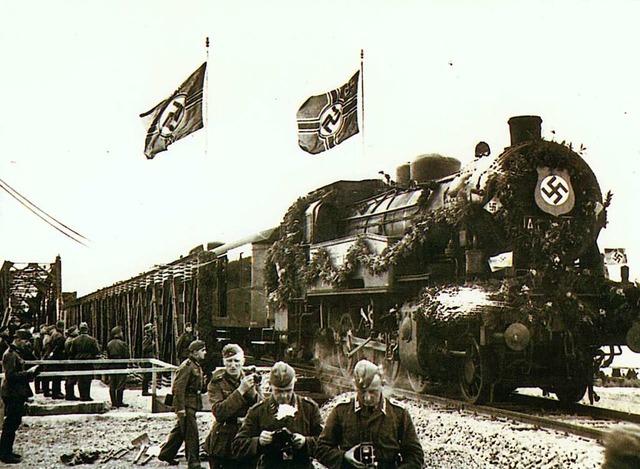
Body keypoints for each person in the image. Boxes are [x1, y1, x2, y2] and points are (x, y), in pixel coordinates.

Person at [315, 359, 424, 469]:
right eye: (362, 392)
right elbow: (321, 449)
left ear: (382, 385)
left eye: (373, 391)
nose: (367, 398)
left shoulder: (398, 413)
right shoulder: (342, 411)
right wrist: (344, 457)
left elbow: (415, 455)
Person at [233, 361, 323, 469]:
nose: (284, 396)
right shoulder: (258, 411)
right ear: (270, 386)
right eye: (279, 392)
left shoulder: (309, 408)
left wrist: (306, 442)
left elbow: (325, 444)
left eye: (288, 391)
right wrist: (258, 441)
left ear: (294, 383)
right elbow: (237, 446)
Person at [205, 343, 262, 469]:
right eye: (229, 361)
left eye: (236, 361)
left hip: (247, 438)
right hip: (225, 441)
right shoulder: (216, 383)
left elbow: (262, 408)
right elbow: (219, 413)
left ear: (243, 361)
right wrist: (241, 391)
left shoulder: (251, 379)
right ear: (223, 362)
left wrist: (252, 392)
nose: (233, 365)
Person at [158, 339, 207, 469]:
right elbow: (178, 389)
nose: (205, 353)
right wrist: (180, 409)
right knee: (192, 435)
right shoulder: (187, 366)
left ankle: (166, 454)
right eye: (203, 350)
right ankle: (194, 464)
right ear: (195, 352)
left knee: (180, 430)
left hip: (192, 403)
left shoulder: (195, 365)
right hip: (186, 405)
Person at [0, 329, 40, 464]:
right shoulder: (11, 354)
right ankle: (4, 454)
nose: (27, 344)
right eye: (25, 341)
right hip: (12, 393)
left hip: (16, 392)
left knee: (14, 422)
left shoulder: (16, 353)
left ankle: (7, 450)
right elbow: (10, 376)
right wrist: (29, 374)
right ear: (18, 340)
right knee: (10, 424)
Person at [68, 322, 101, 401]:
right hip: (88, 362)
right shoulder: (92, 340)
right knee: (87, 379)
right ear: (87, 329)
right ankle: (87, 396)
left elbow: (72, 351)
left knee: (80, 379)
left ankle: (82, 396)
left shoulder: (75, 340)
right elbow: (97, 350)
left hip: (78, 362)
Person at [106, 326, 130, 408]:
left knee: (112, 384)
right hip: (121, 365)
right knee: (120, 384)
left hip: (112, 365)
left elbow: (108, 356)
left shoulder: (109, 344)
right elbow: (127, 355)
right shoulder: (123, 344)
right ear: (118, 333)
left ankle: (113, 402)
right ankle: (119, 402)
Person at [46, 320, 66, 399]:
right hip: (58, 358)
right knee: (57, 376)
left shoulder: (53, 334)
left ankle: (57, 392)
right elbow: (58, 348)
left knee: (55, 376)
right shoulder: (60, 336)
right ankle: (56, 393)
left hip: (54, 358)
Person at [64, 326, 80, 400]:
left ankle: (69, 394)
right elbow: (71, 351)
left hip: (69, 360)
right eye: (76, 330)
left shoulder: (69, 340)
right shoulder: (71, 341)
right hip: (71, 361)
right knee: (71, 379)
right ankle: (70, 395)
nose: (78, 331)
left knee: (70, 378)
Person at [141, 322, 157, 396]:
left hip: (149, 358)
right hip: (147, 359)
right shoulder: (146, 338)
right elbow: (144, 348)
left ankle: (146, 390)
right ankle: (144, 391)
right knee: (146, 375)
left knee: (148, 375)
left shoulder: (149, 337)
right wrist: (152, 345)